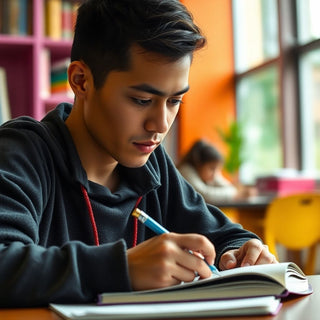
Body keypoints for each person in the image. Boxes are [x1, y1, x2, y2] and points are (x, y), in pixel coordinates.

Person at [0, 0, 276, 308]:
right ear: (81, 81)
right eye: (142, 100)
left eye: (174, 101)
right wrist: (121, 269)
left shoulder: (152, 165)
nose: (160, 125)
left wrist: (242, 252)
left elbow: (225, 237)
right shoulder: (22, 152)